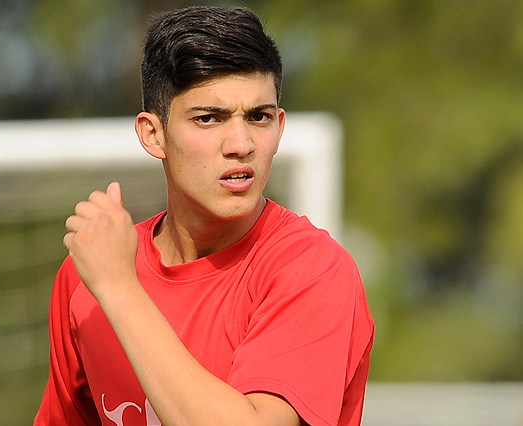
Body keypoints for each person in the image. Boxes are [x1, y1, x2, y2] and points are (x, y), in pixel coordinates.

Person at [34, 5, 374, 426]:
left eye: (259, 117)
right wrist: (113, 281)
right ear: (153, 134)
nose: (241, 144)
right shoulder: (87, 277)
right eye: (209, 118)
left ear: (280, 126)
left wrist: (120, 290)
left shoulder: (312, 269)